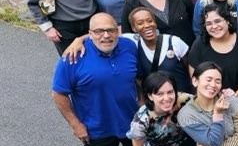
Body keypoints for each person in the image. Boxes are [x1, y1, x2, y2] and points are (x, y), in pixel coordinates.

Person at [51, 13, 142, 146]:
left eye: (111, 30)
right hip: (96, 127)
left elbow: (137, 76)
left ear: (118, 31)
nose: (106, 35)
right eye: (99, 31)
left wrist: (141, 102)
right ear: (90, 34)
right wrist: (76, 124)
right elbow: (58, 94)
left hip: (131, 121)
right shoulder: (73, 57)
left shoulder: (129, 47)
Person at [61, 7, 192, 93]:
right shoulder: (131, 41)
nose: (147, 25)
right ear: (134, 28)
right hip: (157, 103)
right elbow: (106, 33)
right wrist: (79, 40)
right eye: (140, 23)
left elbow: (190, 69)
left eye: (149, 21)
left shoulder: (174, 41)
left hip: (182, 97)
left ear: (155, 23)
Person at [188, 4, 238, 146]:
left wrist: (236, 95)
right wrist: (206, 95)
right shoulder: (200, 44)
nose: (214, 26)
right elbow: (194, 71)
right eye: (209, 23)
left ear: (228, 21)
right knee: (214, 142)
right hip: (209, 102)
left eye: (218, 21)